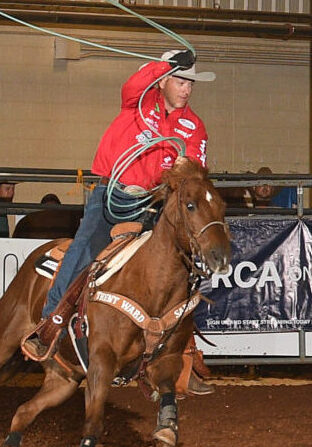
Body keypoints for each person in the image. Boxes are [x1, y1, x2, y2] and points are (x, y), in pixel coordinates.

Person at [26, 48, 213, 372]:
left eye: (190, 84)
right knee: (85, 249)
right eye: (181, 80)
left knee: (178, 261)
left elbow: (196, 169)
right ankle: (50, 323)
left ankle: (180, 351)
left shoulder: (194, 126)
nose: (187, 89)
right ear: (164, 80)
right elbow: (133, 85)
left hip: (153, 203)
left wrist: (184, 171)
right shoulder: (139, 103)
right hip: (112, 195)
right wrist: (165, 64)